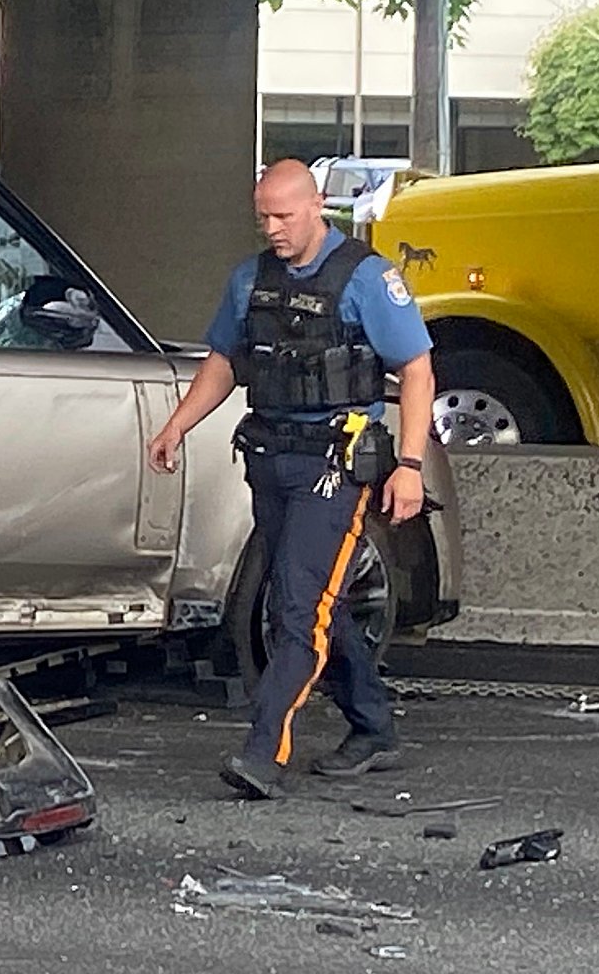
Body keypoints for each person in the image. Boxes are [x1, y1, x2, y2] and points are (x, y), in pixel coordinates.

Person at [145, 159, 436, 800]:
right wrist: (177, 426)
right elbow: (225, 361)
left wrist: (410, 467)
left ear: (315, 208)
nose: (272, 228)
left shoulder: (366, 279)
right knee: (309, 602)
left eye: (282, 215)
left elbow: (416, 370)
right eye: (263, 217)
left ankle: (263, 752)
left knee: (296, 610)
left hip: (334, 463)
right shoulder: (250, 280)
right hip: (271, 457)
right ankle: (374, 728)